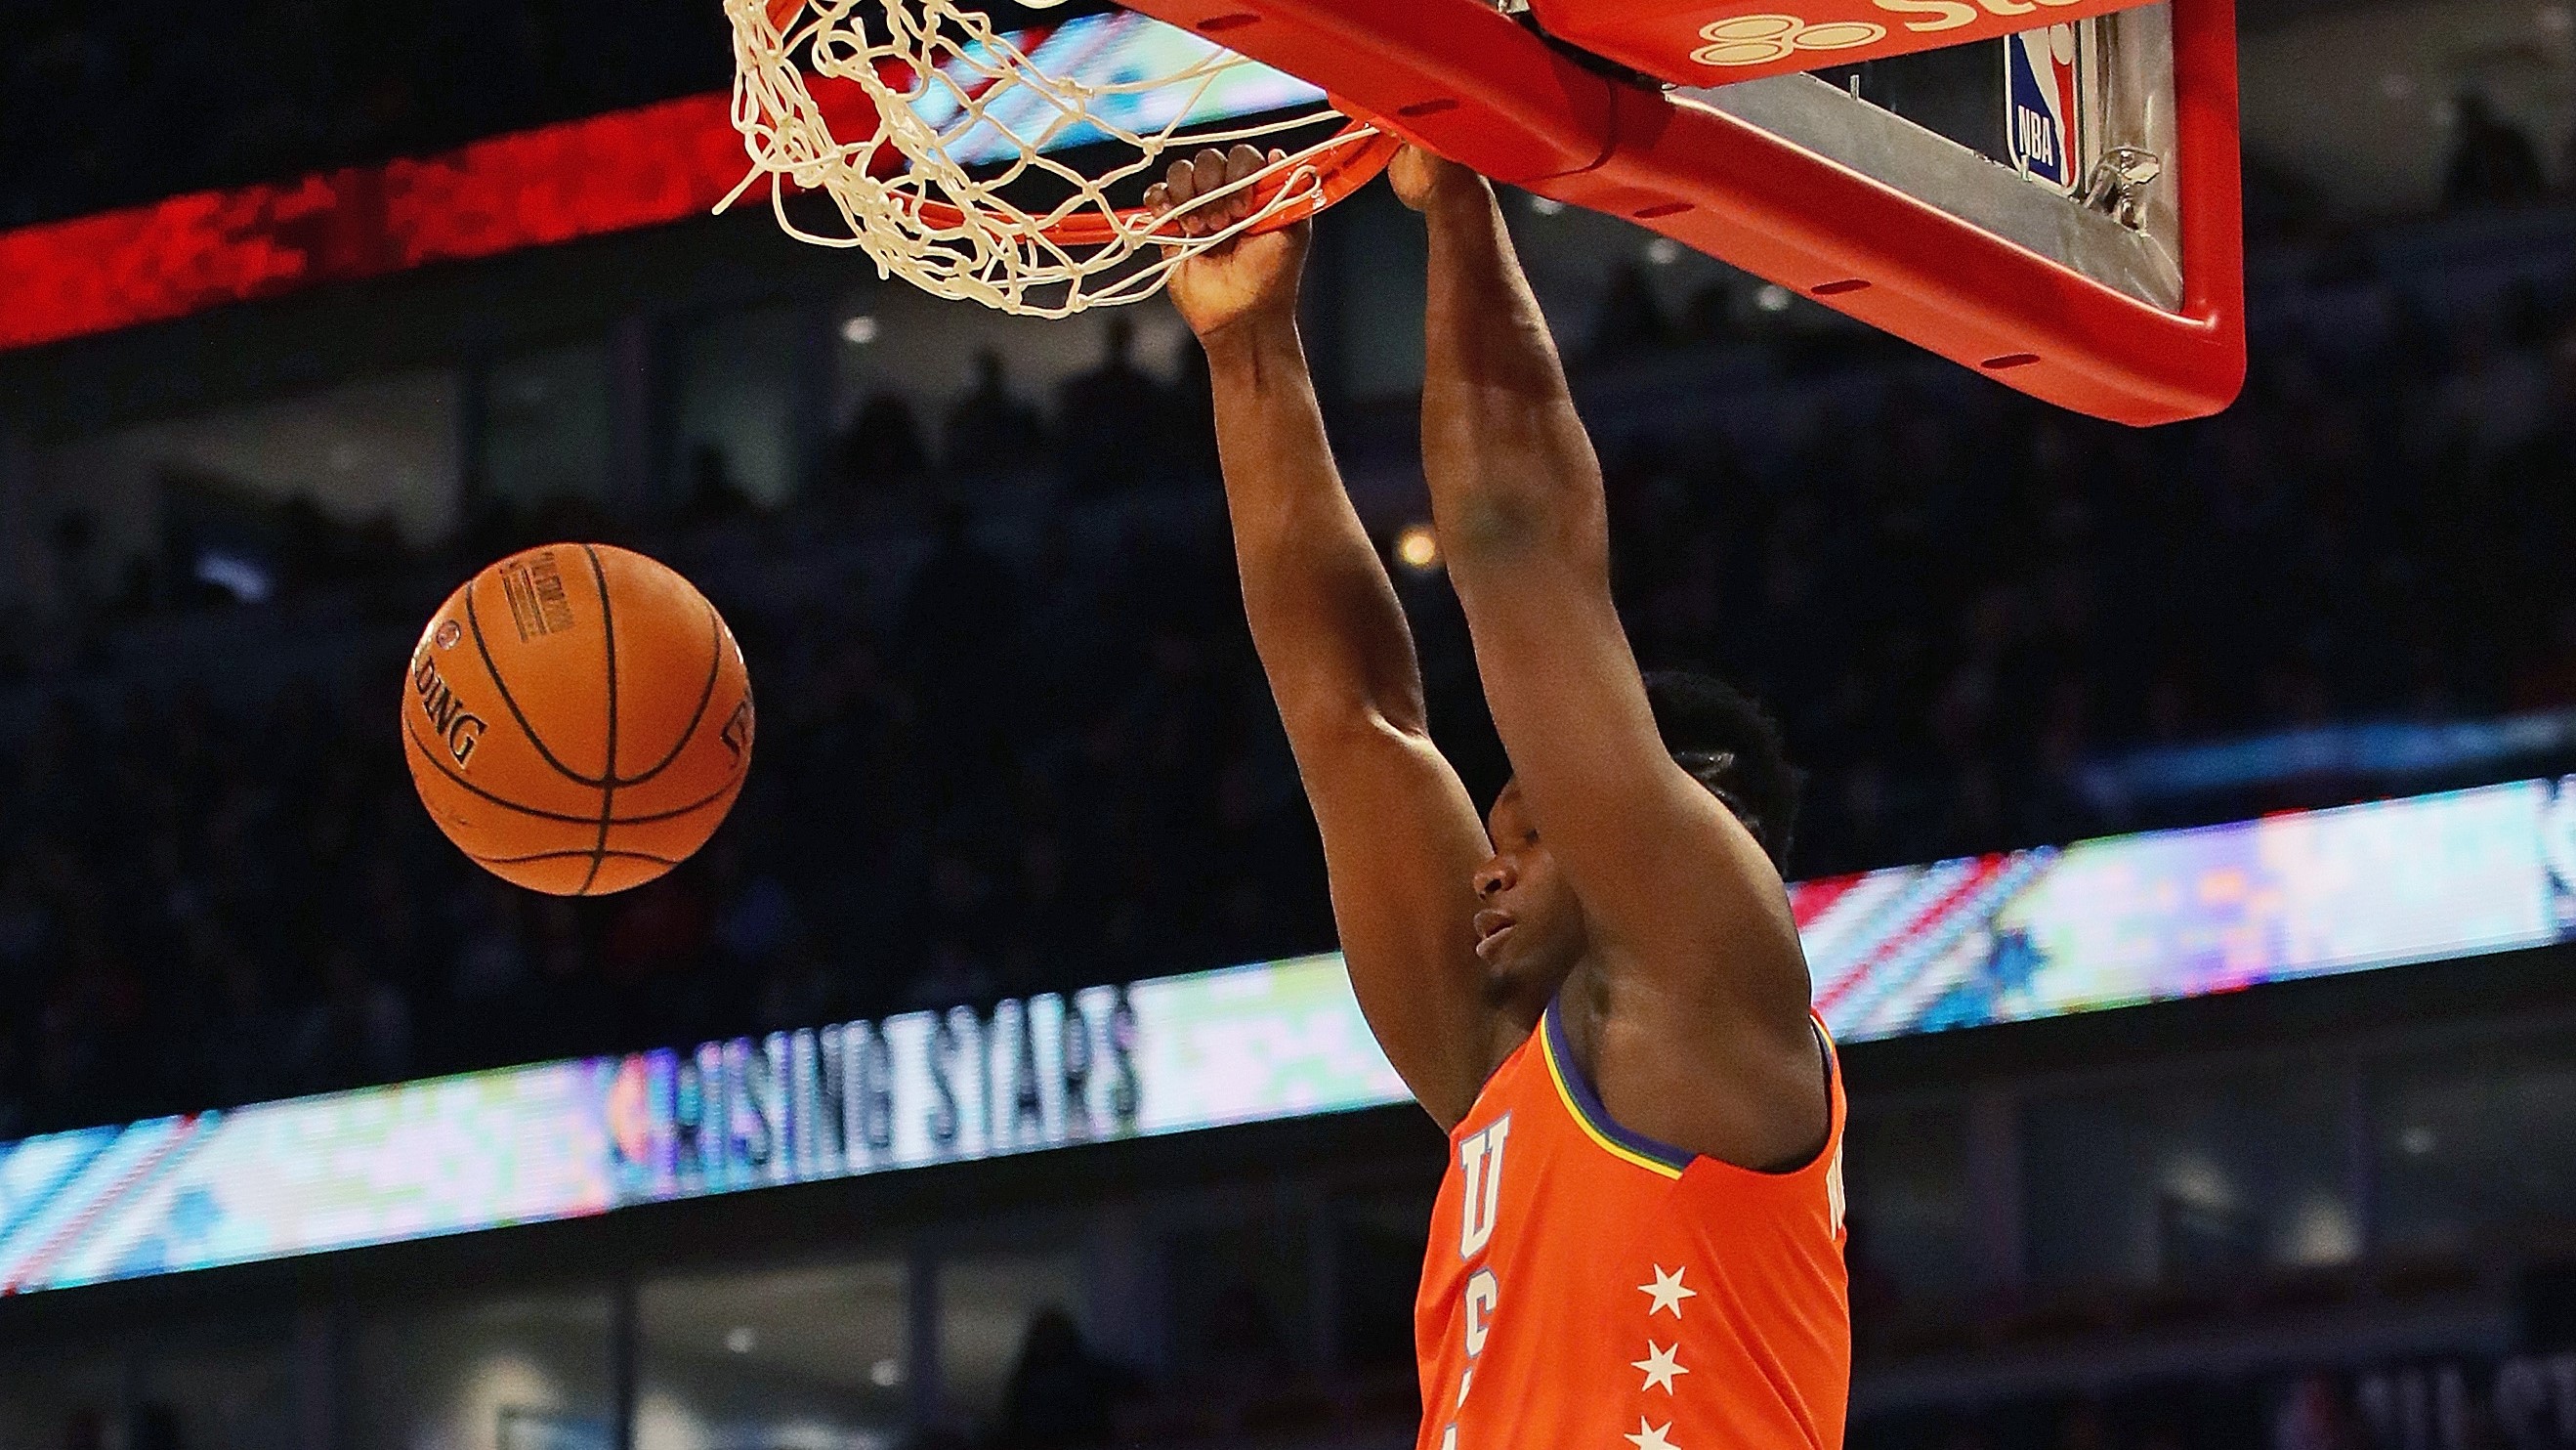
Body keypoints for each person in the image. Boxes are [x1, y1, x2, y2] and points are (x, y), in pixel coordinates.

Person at [1148, 144, 1846, 1450]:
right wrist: (1250, 349)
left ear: (1690, 827)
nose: (1487, 862)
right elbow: (1347, 716)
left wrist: (1459, 195)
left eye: (1529, 836)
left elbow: (1518, 558)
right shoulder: (1494, 1073)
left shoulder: (1712, 1010)